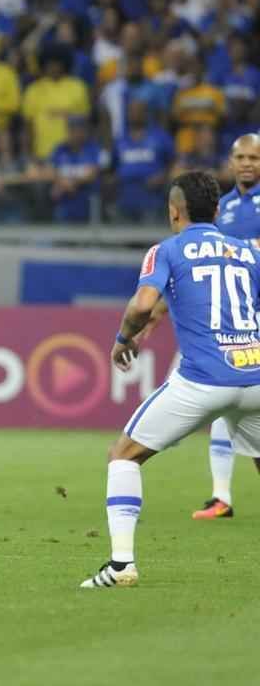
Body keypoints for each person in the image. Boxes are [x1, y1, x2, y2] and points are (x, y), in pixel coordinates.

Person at [80, 172, 260, 588]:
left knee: (123, 455)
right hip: (253, 379)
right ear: (217, 211)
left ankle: (121, 565)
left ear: (173, 211)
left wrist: (124, 338)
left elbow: (143, 304)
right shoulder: (248, 252)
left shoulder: (167, 249)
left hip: (203, 381)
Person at [192, 133, 260, 520]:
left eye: (254, 157)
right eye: (241, 157)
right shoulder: (222, 208)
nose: (248, 163)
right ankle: (221, 496)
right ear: (231, 161)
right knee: (222, 399)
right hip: (235, 318)